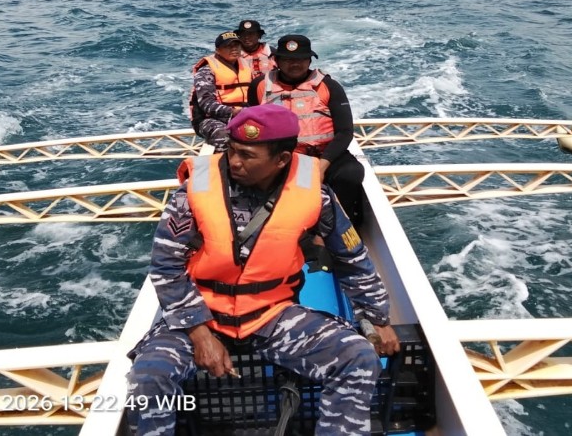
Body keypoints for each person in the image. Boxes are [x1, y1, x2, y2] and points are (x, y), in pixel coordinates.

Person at [125, 105, 400, 435]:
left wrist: (378, 318)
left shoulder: (316, 196)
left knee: (357, 358)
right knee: (149, 379)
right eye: (231, 150)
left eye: (246, 155)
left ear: (281, 159)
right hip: (200, 313)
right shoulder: (194, 191)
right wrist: (199, 333)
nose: (234, 161)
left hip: (271, 313)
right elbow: (166, 265)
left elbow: (351, 259)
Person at [248, 34, 367, 221]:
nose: (295, 64)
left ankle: (344, 223)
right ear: (276, 60)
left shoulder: (329, 86)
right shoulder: (260, 86)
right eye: (287, 59)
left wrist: (322, 165)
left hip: (325, 155)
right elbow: (253, 128)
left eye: (301, 59)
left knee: (351, 173)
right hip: (282, 158)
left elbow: (345, 132)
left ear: (310, 60)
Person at [188, 31, 251, 151]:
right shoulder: (206, 71)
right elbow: (207, 105)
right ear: (218, 50)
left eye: (237, 45)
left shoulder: (246, 65)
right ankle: (224, 167)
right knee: (224, 136)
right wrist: (233, 112)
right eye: (229, 46)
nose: (234, 49)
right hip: (210, 119)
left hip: (242, 114)